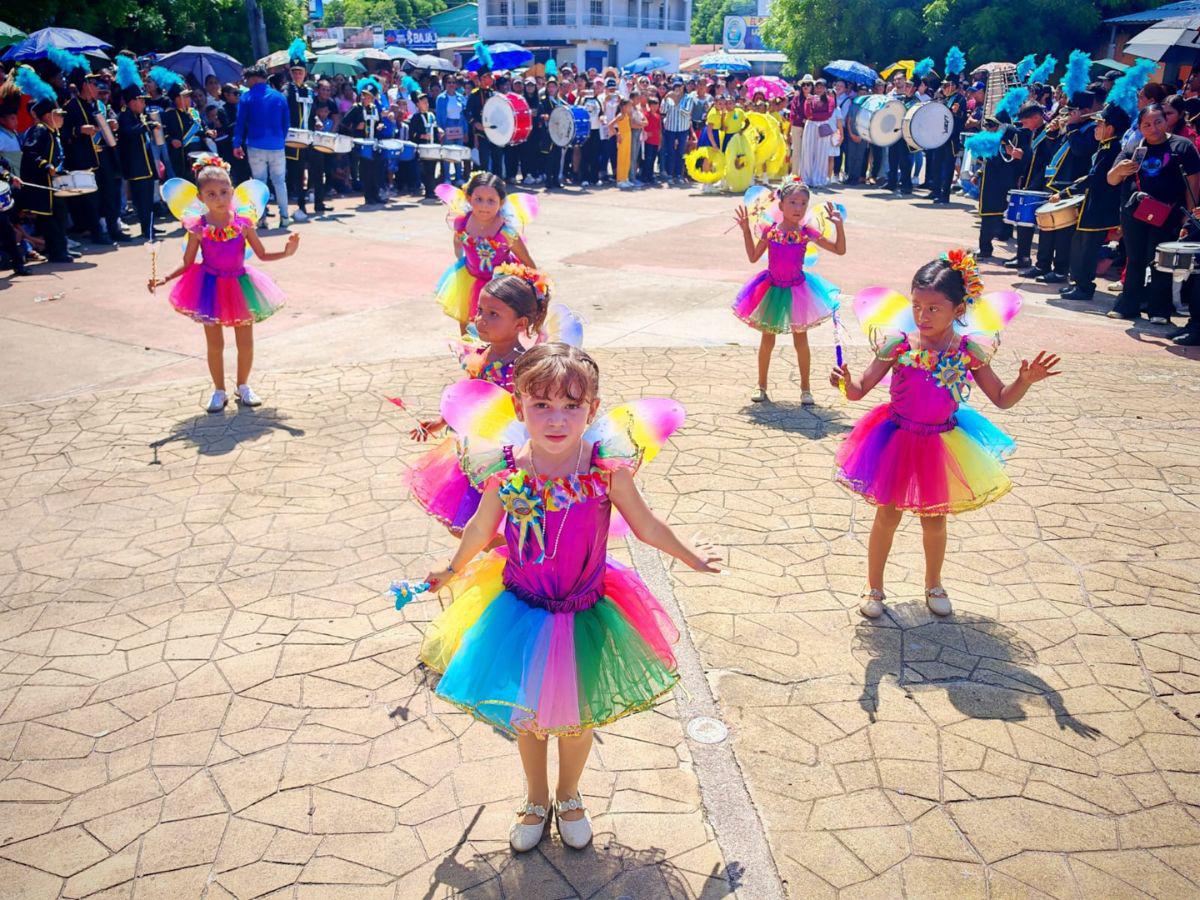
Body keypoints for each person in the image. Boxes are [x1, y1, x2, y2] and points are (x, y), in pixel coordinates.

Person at [415, 342, 721, 853]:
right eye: (541, 406)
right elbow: (479, 526)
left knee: (577, 718)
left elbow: (645, 525)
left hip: (586, 610)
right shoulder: (507, 468)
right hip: (522, 608)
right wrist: (449, 570)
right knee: (529, 717)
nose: (556, 419)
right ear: (519, 408)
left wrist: (689, 555)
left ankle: (570, 794)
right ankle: (536, 799)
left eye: (571, 406)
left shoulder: (605, 470)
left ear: (592, 410)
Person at [831, 251, 1060, 618]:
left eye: (934, 308)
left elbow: (1002, 399)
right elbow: (861, 388)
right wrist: (845, 384)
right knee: (886, 516)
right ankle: (873, 587)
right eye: (917, 306)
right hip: (896, 438)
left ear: (958, 309)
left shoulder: (968, 351)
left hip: (940, 442)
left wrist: (1024, 381)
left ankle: (934, 583)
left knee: (934, 519)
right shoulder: (899, 344)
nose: (922, 316)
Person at [408, 265, 559, 535]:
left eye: (493, 314)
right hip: (477, 450)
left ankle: (509, 561)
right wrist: (443, 421)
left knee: (508, 525)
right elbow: (471, 394)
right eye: (479, 311)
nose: (481, 320)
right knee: (465, 526)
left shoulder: (525, 365)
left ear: (521, 324)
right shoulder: (481, 353)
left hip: (511, 456)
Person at [147, 156, 299, 413]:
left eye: (224, 192)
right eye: (211, 194)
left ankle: (243, 386)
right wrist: (165, 278)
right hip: (208, 286)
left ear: (232, 189)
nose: (219, 198)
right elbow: (187, 263)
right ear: (200, 197)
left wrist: (286, 253)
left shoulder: (243, 223)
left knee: (246, 342)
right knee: (215, 344)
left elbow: (261, 254)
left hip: (240, 285)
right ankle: (219, 390)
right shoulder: (198, 227)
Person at [733, 179, 846, 405]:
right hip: (772, 289)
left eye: (803, 203)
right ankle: (761, 385)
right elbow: (754, 256)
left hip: (798, 291)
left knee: (801, 341)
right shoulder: (770, 230)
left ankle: (806, 389)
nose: (798, 208)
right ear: (781, 205)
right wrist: (746, 230)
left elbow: (839, 250)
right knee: (767, 340)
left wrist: (839, 227)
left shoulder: (807, 231)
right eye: (792, 202)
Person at [1108, 102, 1200, 324]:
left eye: (1158, 121)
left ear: (1166, 121)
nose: (1153, 128)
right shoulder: (1133, 147)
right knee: (1135, 258)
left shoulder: (1183, 146)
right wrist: (1120, 170)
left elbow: (1193, 183)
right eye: (1147, 124)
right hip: (1134, 214)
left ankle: (1159, 310)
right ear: (1140, 127)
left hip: (1167, 214)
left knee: (1160, 261)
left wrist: (1189, 215)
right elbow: (1111, 179)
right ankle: (1128, 305)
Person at [435, 171, 537, 334]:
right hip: (470, 279)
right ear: (469, 199)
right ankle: (467, 357)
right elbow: (457, 244)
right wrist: (463, 260)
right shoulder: (462, 222)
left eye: (491, 201)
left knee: (498, 329)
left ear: (501, 202)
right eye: (478, 199)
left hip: (500, 286)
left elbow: (528, 262)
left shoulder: (506, 233)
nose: (484, 206)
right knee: (467, 323)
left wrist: (536, 290)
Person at [1052, 102, 1129, 302]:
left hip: (1100, 210)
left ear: (1110, 128)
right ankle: (1078, 283)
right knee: (1079, 245)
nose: (1096, 128)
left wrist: (1065, 192)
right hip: (1093, 206)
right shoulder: (1106, 146)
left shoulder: (1113, 147)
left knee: (1087, 250)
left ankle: (1085, 287)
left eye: (1099, 124)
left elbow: (1096, 177)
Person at [1023, 91, 1097, 282]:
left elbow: (1081, 151)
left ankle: (1060, 270)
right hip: (1054, 182)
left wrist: (1070, 127)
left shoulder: (1091, 129)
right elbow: (1052, 154)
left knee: (1064, 233)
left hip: (1071, 186)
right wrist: (1054, 133)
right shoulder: (1071, 128)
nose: (1068, 114)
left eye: (1073, 111)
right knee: (1047, 228)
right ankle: (1042, 264)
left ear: (1086, 111)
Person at [1005, 102, 1060, 271]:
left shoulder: (1049, 133)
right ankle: (1023, 256)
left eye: (1026, 121)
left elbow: (1048, 160)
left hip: (1042, 184)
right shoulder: (1034, 132)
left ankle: (1040, 263)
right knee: (1023, 221)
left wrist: (1023, 155)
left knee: (1038, 225)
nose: (1023, 125)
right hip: (1029, 180)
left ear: (1036, 117)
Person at [234, 65, 290, 227]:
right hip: (277, 145)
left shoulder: (246, 98)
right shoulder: (279, 97)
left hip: (255, 145)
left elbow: (240, 123)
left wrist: (236, 144)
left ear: (254, 78)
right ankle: (285, 217)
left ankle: (261, 218)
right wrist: (280, 139)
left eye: (247, 79)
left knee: (259, 183)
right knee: (280, 182)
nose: (246, 82)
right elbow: (286, 124)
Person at [19, 94, 72, 264]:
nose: (62, 118)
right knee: (51, 221)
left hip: (53, 185)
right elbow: (29, 152)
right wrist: (45, 165)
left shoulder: (51, 132)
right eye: (59, 114)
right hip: (43, 187)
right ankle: (57, 253)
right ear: (49, 115)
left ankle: (60, 250)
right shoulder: (40, 130)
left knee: (59, 217)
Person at [115, 80, 160, 241]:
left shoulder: (137, 116)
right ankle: (145, 229)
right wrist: (147, 125)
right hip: (136, 166)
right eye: (141, 100)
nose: (143, 103)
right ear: (132, 101)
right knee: (141, 201)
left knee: (148, 198)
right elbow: (128, 132)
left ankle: (150, 227)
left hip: (145, 165)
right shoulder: (125, 116)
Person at [283, 41, 319, 221]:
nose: (297, 75)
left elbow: (313, 113)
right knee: (295, 172)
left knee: (313, 168)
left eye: (300, 72)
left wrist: (317, 120)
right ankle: (299, 205)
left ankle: (310, 201)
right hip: (292, 138)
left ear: (305, 73)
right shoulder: (286, 90)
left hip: (309, 137)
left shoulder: (310, 91)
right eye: (294, 72)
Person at [930, 78, 966, 203]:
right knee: (936, 164)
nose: (943, 88)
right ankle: (935, 191)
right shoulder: (943, 99)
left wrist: (956, 113)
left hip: (951, 138)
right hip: (940, 137)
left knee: (948, 166)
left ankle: (945, 194)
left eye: (946, 85)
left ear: (953, 85)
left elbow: (962, 119)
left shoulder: (960, 99)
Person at [800, 77, 837, 187]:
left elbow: (828, 113)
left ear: (825, 88)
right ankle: (806, 178)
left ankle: (819, 179)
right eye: (817, 87)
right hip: (810, 126)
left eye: (821, 87)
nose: (819, 89)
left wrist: (814, 116)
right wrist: (809, 103)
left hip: (822, 126)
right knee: (808, 152)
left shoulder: (830, 99)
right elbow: (807, 114)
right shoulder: (810, 99)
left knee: (821, 153)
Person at [408, 93, 442, 200]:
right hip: (422, 147)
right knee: (426, 170)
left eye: (427, 102)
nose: (426, 104)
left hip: (432, 146)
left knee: (432, 169)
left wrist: (439, 131)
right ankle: (429, 191)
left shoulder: (431, 116)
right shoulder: (415, 117)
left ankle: (431, 191)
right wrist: (422, 135)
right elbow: (412, 134)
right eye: (424, 103)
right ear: (418, 104)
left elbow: (435, 129)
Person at [660, 78, 691, 185]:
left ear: (683, 87)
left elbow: (687, 112)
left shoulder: (688, 98)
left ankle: (678, 174)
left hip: (683, 129)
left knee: (681, 152)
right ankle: (670, 175)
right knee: (670, 152)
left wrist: (677, 102)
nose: (677, 89)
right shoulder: (668, 98)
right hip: (670, 129)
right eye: (675, 86)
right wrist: (665, 99)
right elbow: (662, 111)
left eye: (679, 86)